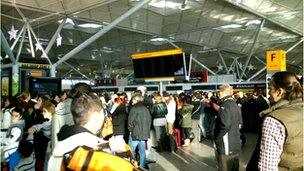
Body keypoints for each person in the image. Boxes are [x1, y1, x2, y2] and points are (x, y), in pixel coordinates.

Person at [48, 93, 136, 171]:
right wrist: (122, 154)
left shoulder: (59, 149)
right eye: (103, 114)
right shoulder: (97, 153)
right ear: (96, 117)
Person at [258, 71, 303, 170]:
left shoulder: (274, 120)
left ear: (279, 92)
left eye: (270, 88)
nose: (268, 92)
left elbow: (267, 167)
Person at [214, 84, 242, 171]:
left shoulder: (224, 106)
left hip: (225, 144)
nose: (218, 94)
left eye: (219, 92)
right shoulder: (236, 105)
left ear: (222, 92)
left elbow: (225, 125)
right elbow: (240, 124)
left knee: (224, 167)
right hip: (235, 143)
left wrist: (218, 138)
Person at [128, 93, 151, 168]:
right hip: (144, 134)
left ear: (137, 100)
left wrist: (131, 130)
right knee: (142, 152)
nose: (132, 101)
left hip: (135, 133)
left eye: (133, 100)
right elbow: (149, 121)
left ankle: (131, 166)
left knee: (131, 151)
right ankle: (142, 167)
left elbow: (130, 121)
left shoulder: (134, 108)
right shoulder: (146, 109)